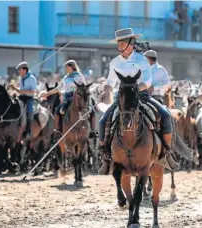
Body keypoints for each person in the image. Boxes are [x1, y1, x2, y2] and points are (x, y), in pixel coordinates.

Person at [97, 28, 176, 175]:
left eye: (122, 44)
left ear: (131, 43)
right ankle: (106, 157)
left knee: (165, 115)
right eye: (118, 44)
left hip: (142, 95)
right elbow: (110, 81)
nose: (119, 47)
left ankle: (167, 152)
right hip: (122, 99)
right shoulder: (114, 62)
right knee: (102, 121)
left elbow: (147, 80)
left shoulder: (142, 60)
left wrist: (133, 89)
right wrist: (106, 91)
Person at [40, 60, 96, 136]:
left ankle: (92, 130)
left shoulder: (79, 76)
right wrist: (47, 93)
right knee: (58, 110)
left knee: (91, 110)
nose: (65, 69)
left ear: (72, 66)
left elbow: (84, 87)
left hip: (78, 97)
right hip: (67, 97)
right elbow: (58, 88)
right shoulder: (66, 77)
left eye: (67, 67)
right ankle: (57, 130)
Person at [9, 62, 37, 139]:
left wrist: (23, 91)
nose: (19, 71)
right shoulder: (21, 78)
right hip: (21, 97)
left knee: (29, 113)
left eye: (20, 70)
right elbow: (20, 90)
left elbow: (34, 91)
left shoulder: (32, 78)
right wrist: (14, 88)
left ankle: (28, 131)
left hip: (29, 98)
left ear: (25, 70)